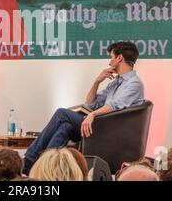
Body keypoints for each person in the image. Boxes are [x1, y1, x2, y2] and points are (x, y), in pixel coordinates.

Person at [23, 41, 144, 173]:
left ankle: (29, 160)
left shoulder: (134, 83)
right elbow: (91, 103)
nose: (109, 62)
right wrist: (97, 81)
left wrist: (92, 114)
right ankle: (46, 168)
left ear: (119, 58)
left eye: (111, 57)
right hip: (101, 124)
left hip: (111, 129)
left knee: (61, 113)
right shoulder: (115, 82)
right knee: (65, 127)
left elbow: (114, 105)